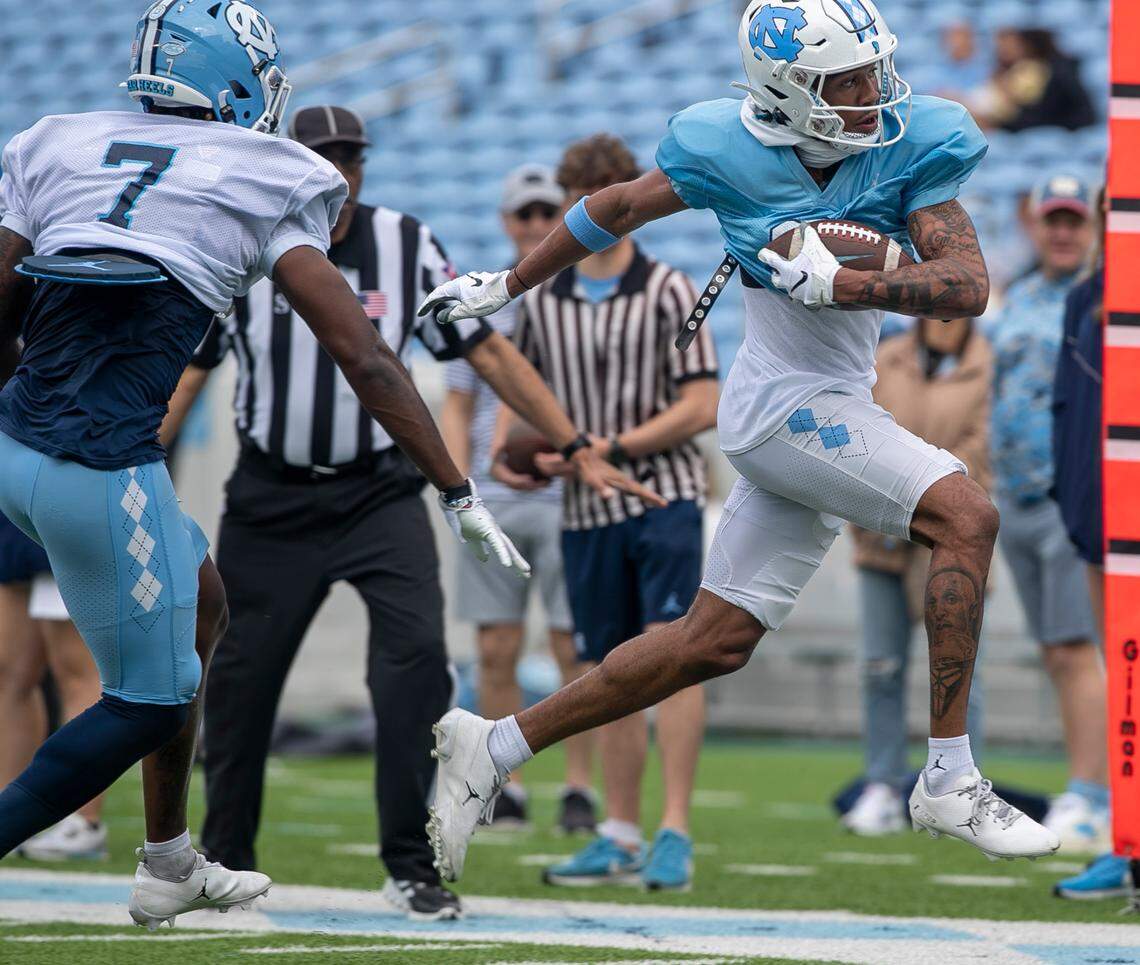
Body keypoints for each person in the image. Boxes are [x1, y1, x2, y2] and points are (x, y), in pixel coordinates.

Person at [0, 0, 636, 929]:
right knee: (151, 697)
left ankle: (171, 857)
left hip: (20, 441)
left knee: (205, 604)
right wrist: (456, 487)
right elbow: (368, 358)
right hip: (101, 466)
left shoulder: (56, 138)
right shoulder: (265, 175)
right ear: (231, 78)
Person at [421, 0, 1064, 883]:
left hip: (828, 399)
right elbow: (618, 205)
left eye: (873, 70)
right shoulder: (727, 148)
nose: (871, 92)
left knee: (710, 640)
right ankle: (948, 774)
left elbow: (968, 286)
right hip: (781, 405)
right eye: (846, 79)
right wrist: (510, 283)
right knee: (967, 514)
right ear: (788, 90)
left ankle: (494, 741)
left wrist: (845, 285)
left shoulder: (913, 140)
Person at [160, 109, 658, 921]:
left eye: (350, 157)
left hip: (379, 491)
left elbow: (485, 350)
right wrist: (127, 468)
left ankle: (409, 864)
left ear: (363, 165)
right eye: (322, 157)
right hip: (271, 496)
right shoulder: (245, 243)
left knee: (416, 663)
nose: (338, 172)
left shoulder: (406, 241)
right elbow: (192, 369)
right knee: (242, 683)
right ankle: (226, 859)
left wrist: (572, 442)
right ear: (293, 163)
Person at [496, 135, 718, 891]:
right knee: (607, 669)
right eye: (582, 195)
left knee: (674, 657)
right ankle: (620, 829)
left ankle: (677, 827)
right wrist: (525, 453)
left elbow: (702, 402)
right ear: (570, 203)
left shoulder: (671, 290)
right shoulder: (543, 303)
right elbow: (519, 398)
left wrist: (610, 445)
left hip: (666, 497)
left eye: (608, 193)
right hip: (585, 509)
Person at [440, 164, 598, 835]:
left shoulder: (591, 294)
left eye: (546, 215)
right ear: (507, 222)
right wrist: (457, 487)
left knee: (576, 647)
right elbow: (458, 399)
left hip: (570, 492)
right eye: (524, 215)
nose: (535, 226)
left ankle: (578, 788)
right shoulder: (481, 296)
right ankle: (508, 783)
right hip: (497, 492)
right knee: (498, 646)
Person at [984, 173, 1107, 855]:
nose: (1062, 232)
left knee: (1073, 648)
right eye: (1052, 220)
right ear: (1035, 225)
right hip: (1020, 496)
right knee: (1057, 652)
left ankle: (1090, 792)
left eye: (1073, 220)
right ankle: (1088, 785)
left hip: (1074, 495)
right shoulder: (1023, 298)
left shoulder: (1100, 304)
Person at [843, 315, 991, 836]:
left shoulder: (986, 366)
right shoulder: (886, 357)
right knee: (880, 668)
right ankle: (882, 785)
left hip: (950, 542)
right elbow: (862, 425)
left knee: (957, 674)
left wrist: (923, 493)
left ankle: (960, 790)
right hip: (881, 536)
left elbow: (981, 446)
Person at [1049, 190, 1131, 897]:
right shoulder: (1085, 299)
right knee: (1123, 682)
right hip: (1100, 521)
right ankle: (1125, 842)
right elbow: (1066, 407)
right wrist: (1074, 506)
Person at [0, 512, 107, 861]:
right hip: (14, 504)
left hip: (63, 494)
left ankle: (83, 822)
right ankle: (8, 814)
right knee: (10, 671)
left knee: (76, 672)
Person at [970, 29, 1094, 132]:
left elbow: (1041, 112)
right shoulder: (1027, 70)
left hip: (1063, 126)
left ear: (1029, 47)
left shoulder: (1051, 72)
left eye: (1016, 45)